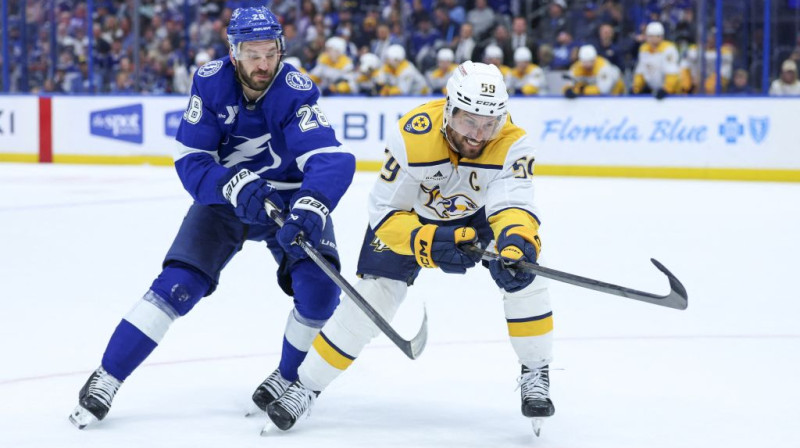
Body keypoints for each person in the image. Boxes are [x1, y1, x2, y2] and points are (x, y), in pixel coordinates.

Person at [68, 6, 356, 429]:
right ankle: (107, 376)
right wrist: (233, 185)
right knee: (177, 285)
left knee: (319, 294)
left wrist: (312, 205)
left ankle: (290, 380)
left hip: (289, 201)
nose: (262, 64)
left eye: (270, 52)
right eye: (251, 53)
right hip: (226, 199)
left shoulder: (295, 90)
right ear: (233, 51)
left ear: (281, 49)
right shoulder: (210, 82)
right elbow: (191, 159)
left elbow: (330, 159)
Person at [264, 61, 556, 434]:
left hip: (479, 217)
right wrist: (432, 243)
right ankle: (305, 387)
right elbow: (386, 213)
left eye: (489, 123)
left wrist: (515, 242)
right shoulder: (412, 135)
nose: (479, 135)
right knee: (371, 298)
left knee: (526, 272)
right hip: (411, 221)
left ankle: (535, 369)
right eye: (469, 121)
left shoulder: (512, 141)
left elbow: (513, 204)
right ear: (449, 108)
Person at [632, 22, 680, 99]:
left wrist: (666, 89)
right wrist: (636, 88)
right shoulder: (644, 49)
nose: (651, 39)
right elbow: (641, 70)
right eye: (649, 36)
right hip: (654, 90)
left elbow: (672, 72)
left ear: (661, 37)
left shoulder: (668, 49)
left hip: (672, 93)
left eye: (653, 36)